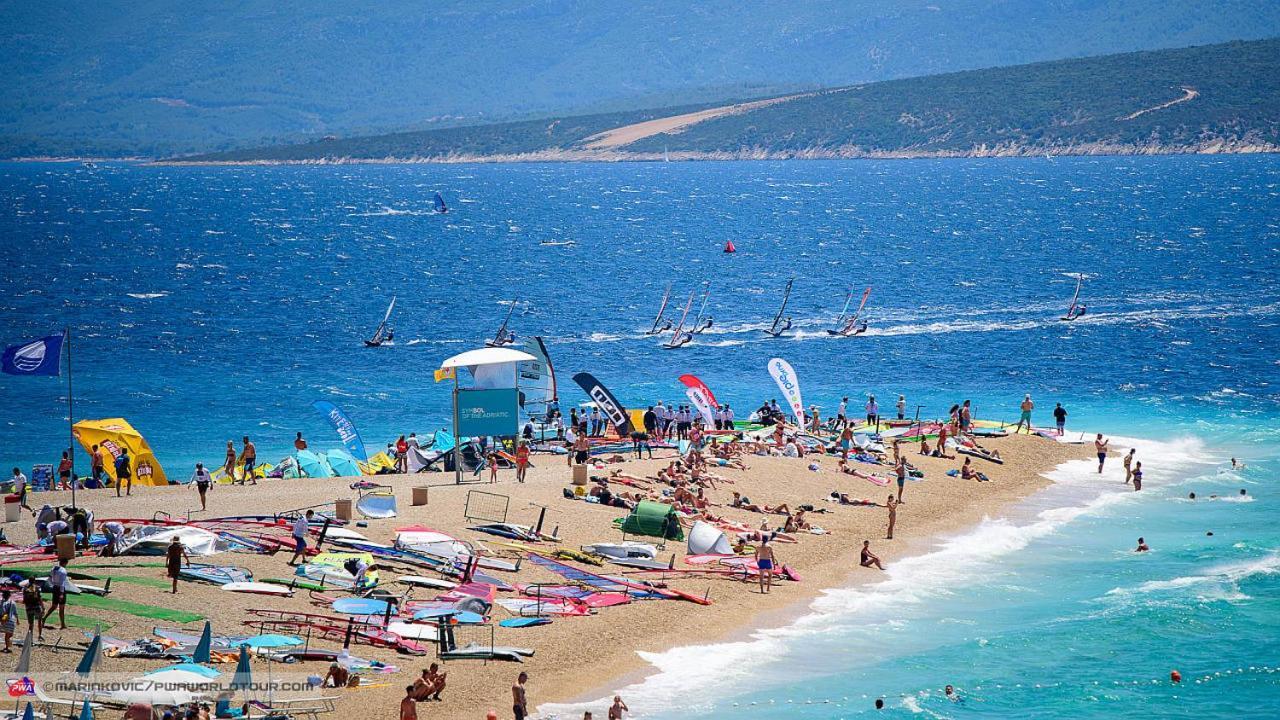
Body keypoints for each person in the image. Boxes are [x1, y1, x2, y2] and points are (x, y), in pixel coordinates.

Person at [43, 557, 70, 629]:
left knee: (54, 606)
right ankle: (62, 624)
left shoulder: (54, 568)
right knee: (61, 607)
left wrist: (52, 584)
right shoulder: (63, 571)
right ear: (65, 563)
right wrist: (61, 593)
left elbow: (49, 578)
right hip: (60, 589)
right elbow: (62, 583)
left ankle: (44, 618)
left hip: (55, 587)